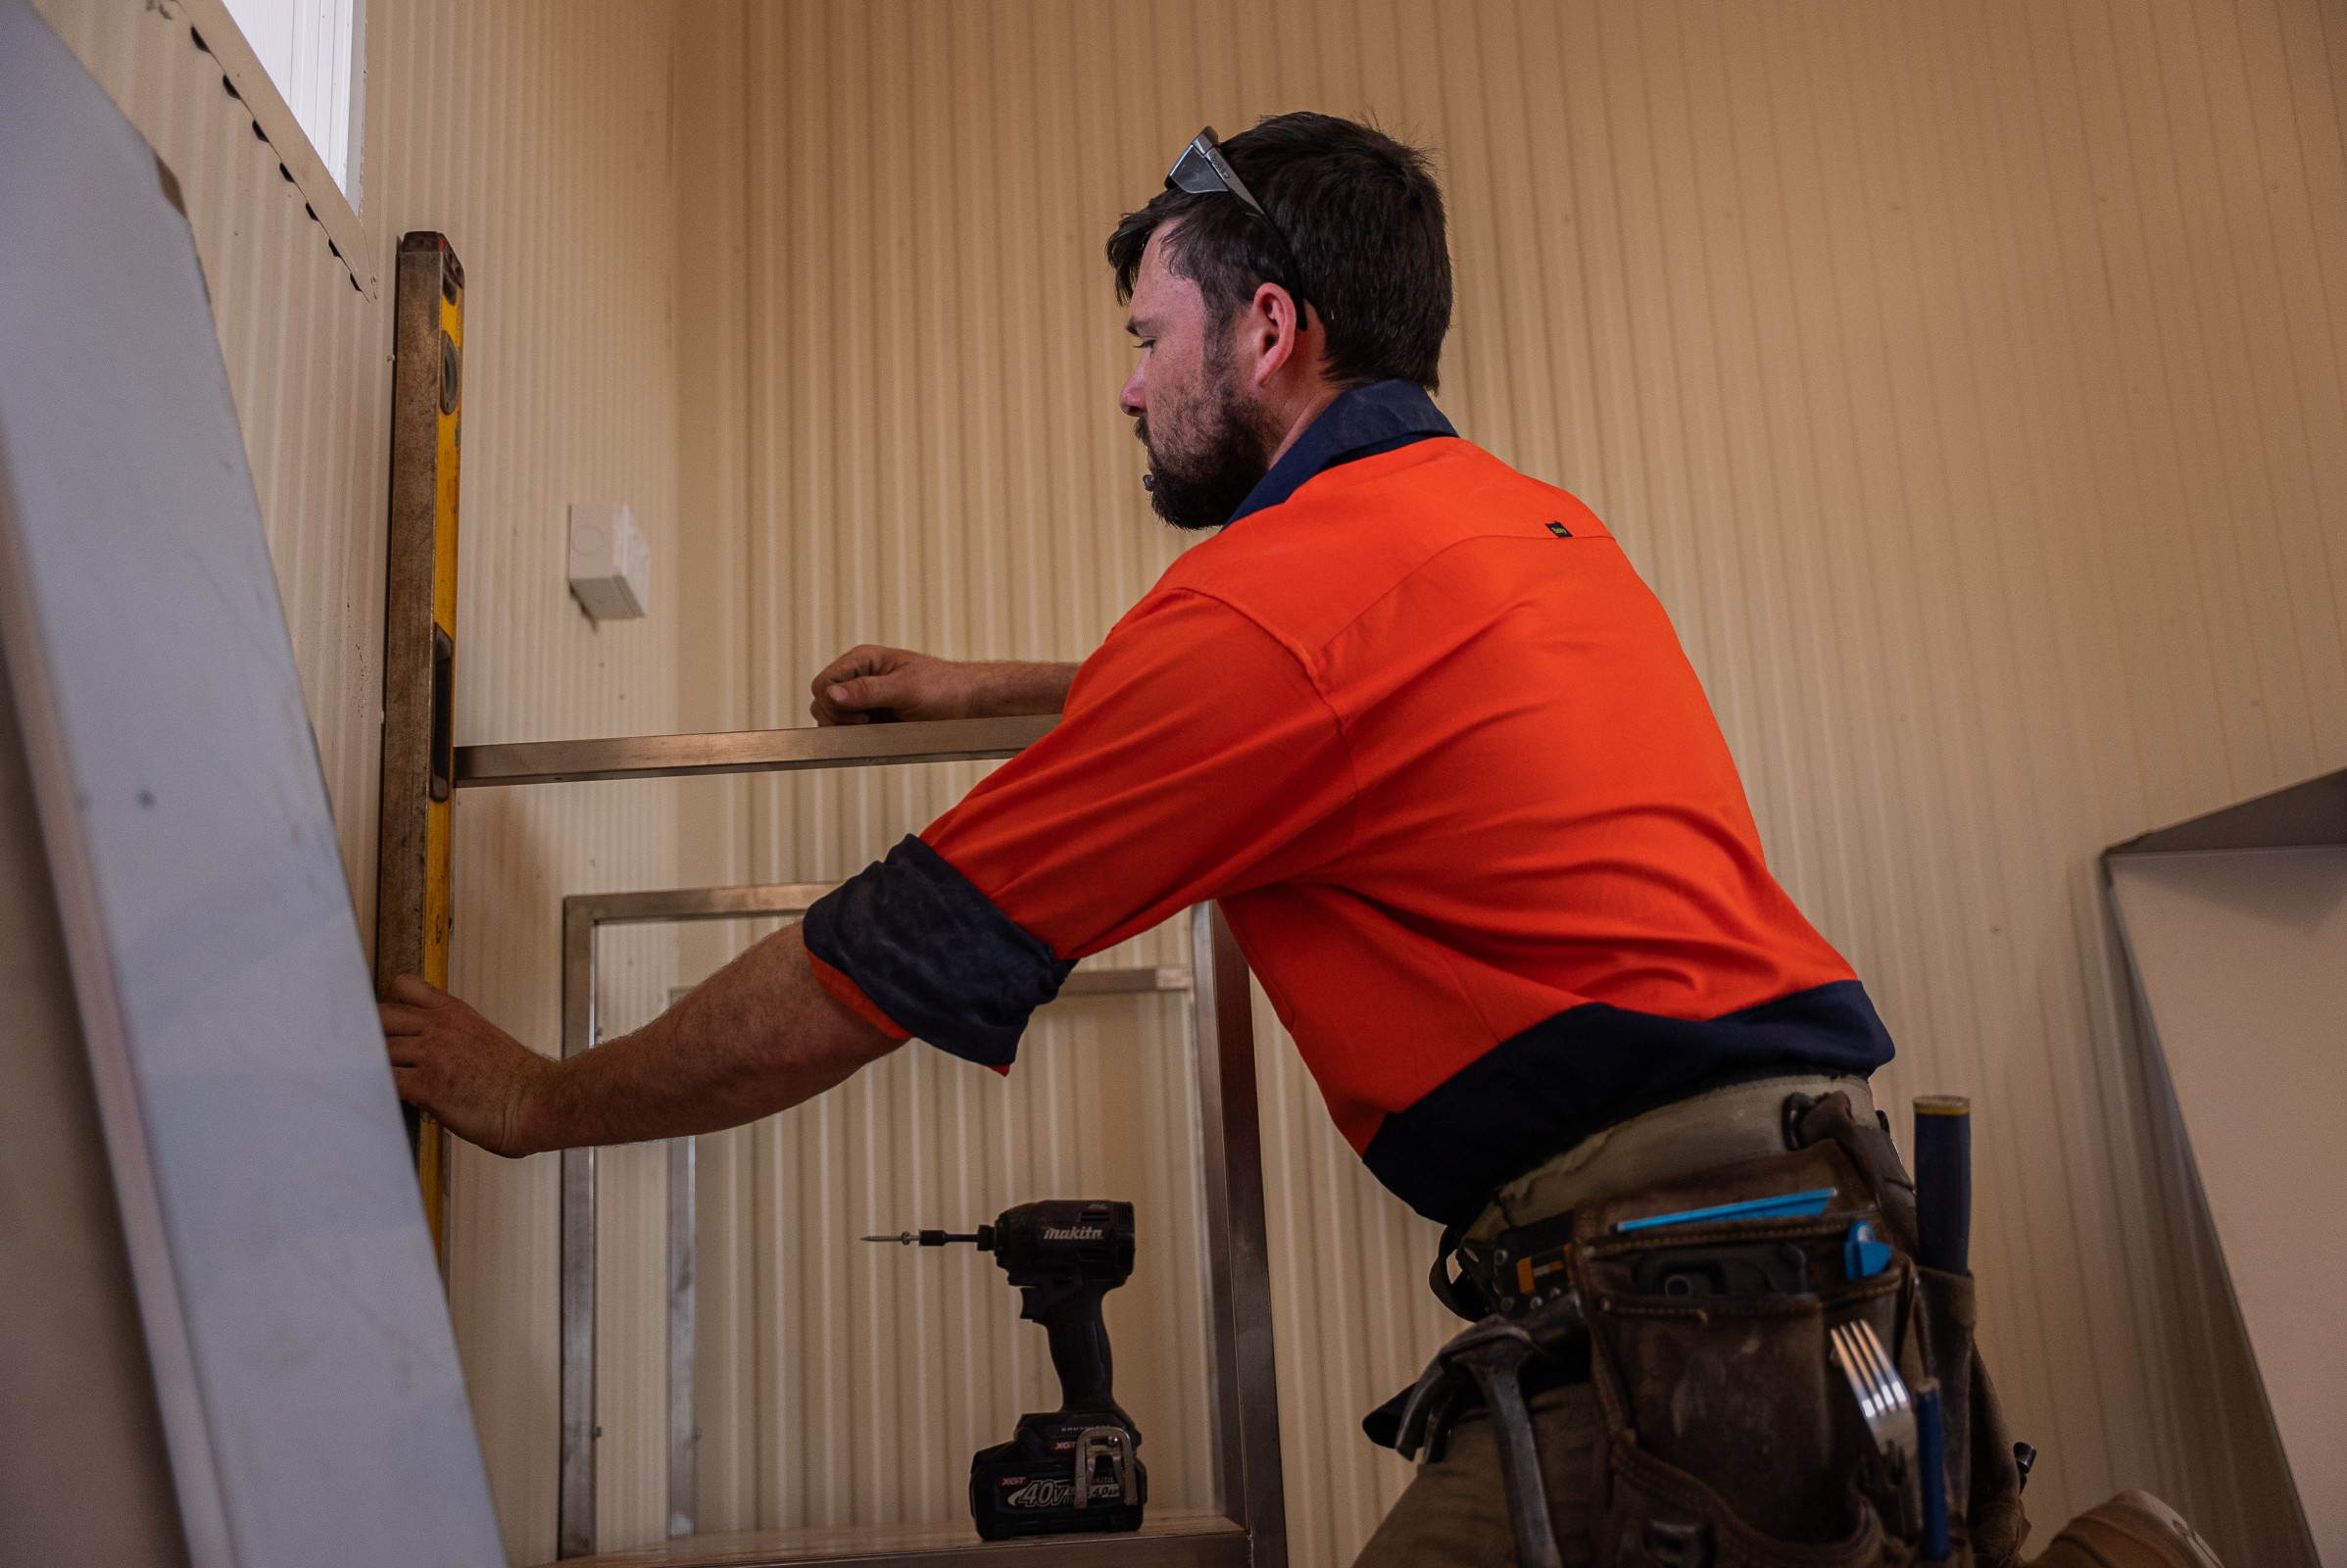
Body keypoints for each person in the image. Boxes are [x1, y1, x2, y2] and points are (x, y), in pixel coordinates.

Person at [387, 113, 2100, 1564]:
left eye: (1150, 339)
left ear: (1267, 327)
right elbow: (1336, 714)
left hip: (1683, 1334)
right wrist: (1003, 683)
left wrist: (539, 1101)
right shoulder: (1528, 526)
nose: (1132, 392)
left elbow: (875, 962)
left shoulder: (1269, 620)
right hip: (1837, 1286)